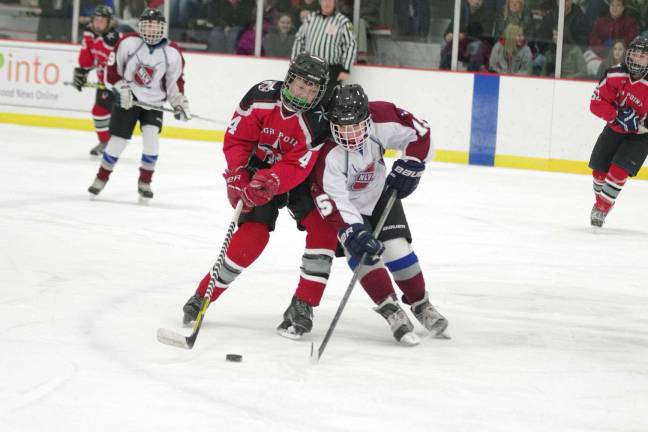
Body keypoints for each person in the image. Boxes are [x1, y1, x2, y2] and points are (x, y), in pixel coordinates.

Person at [276, 84, 448, 344]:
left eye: (355, 125)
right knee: (364, 253)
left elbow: (420, 133)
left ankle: (421, 305)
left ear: (367, 117)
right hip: (347, 207)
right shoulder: (328, 155)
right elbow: (333, 200)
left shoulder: (383, 117)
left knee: (398, 250)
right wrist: (353, 231)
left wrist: (411, 164)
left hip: (379, 194)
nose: (350, 133)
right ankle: (391, 310)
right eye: (342, 127)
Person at [181, 54, 335, 327]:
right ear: (289, 80)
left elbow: (298, 166)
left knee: (323, 231)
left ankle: (304, 304)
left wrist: (273, 181)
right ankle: (204, 295)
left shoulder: (317, 119)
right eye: (301, 86)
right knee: (253, 235)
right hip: (254, 170)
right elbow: (238, 138)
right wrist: (238, 174)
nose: (305, 95)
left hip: (300, 180)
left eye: (313, 90)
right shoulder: (261, 96)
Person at [87, 8, 191, 200]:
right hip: (129, 100)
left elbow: (174, 82)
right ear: (141, 26)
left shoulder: (172, 51)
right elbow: (112, 72)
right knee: (117, 142)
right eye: (148, 25)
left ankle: (145, 182)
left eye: (156, 25)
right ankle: (101, 178)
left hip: (154, 104)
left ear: (162, 28)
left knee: (152, 140)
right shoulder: (128, 42)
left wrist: (180, 102)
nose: (152, 29)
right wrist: (122, 89)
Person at [588, 36, 648, 227]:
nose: (637, 58)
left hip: (640, 137)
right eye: (635, 53)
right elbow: (596, 104)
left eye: (643, 55)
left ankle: (602, 207)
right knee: (599, 171)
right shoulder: (614, 74)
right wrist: (617, 116)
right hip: (614, 128)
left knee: (619, 169)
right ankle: (603, 200)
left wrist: (642, 124)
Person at [73, 5, 122, 157]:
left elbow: (117, 64)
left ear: (109, 22)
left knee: (116, 116)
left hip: (118, 83)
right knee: (99, 111)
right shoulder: (89, 34)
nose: (99, 23)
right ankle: (106, 143)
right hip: (104, 82)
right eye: (96, 20)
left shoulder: (113, 39)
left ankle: (109, 143)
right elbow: (89, 59)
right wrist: (83, 70)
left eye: (102, 20)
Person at [292, 0, 357, 104]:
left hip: (330, 70)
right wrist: (295, 61)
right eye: (324, 0)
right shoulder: (310, 18)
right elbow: (299, 38)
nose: (327, 3)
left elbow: (351, 45)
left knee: (326, 101)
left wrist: (346, 69)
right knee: (305, 98)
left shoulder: (343, 21)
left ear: (335, 2)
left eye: (330, 1)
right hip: (309, 67)